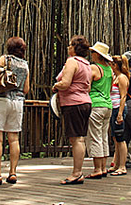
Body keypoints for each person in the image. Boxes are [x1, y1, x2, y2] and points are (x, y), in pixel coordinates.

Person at [0, 37, 30, 185]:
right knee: (14, 138)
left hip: (0, 100)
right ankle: (13, 173)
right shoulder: (25, 65)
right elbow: (26, 89)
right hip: (17, 103)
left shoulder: (5, 59)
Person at [52, 35, 92, 185]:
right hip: (85, 103)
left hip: (73, 104)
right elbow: (87, 87)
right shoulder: (87, 64)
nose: (68, 47)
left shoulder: (72, 61)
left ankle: (77, 173)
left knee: (76, 139)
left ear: (76, 48)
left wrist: (56, 86)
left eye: (70, 45)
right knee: (79, 138)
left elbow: (65, 83)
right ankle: (78, 172)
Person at [85, 41, 113, 179]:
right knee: (103, 137)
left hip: (96, 105)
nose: (91, 55)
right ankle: (103, 168)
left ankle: (97, 169)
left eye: (93, 52)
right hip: (108, 106)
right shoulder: (109, 69)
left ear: (97, 55)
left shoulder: (94, 68)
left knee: (95, 137)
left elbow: (87, 87)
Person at [108, 54, 130, 176]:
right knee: (115, 138)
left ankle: (122, 166)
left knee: (121, 139)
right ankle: (116, 164)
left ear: (115, 65)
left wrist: (120, 114)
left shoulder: (122, 78)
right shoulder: (115, 77)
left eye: (111, 64)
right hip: (113, 109)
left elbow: (123, 96)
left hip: (118, 110)